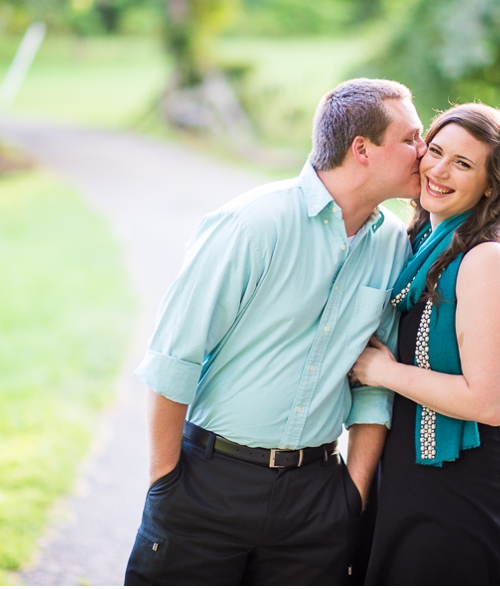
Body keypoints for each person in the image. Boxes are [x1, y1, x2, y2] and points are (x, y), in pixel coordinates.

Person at [124, 78, 428, 585]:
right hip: (207, 486)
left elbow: (375, 387)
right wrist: (165, 485)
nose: (425, 152)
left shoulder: (396, 245)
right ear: (362, 150)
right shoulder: (253, 224)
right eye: (411, 139)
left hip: (316, 503)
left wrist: (351, 493)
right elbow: (172, 358)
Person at [349, 102, 500, 585]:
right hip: (407, 478)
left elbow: (491, 401)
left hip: (465, 488)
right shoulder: (419, 244)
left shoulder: (486, 260)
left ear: (492, 185)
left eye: (463, 164)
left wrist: (379, 371)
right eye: (435, 151)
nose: (438, 169)